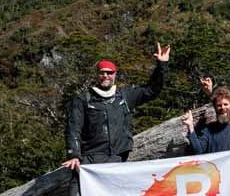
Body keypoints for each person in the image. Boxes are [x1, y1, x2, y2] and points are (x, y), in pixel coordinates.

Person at [62, 42, 171, 170]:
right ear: (97, 75)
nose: (106, 76)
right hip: (89, 160)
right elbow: (73, 128)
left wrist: (161, 65)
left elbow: (152, 90)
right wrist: (73, 154)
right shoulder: (82, 99)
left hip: (118, 159)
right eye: (102, 73)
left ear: (115, 75)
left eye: (110, 73)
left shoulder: (125, 96)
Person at [183, 85, 230, 157]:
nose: (223, 108)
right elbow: (198, 151)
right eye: (219, 105)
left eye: (226, 104)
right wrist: (190, 126)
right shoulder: (208, 129)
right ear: (215, 108)